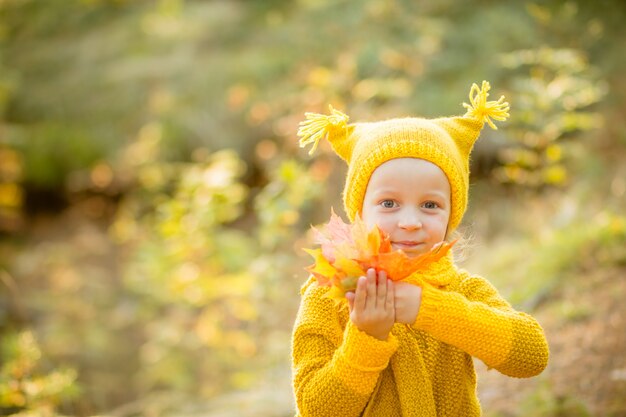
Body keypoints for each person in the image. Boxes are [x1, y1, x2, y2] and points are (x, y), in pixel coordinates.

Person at [290, 81, 549, 416]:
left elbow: (531, 355)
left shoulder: (461, 290)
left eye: (430, 205)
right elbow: (315, 409)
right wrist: (366, 339)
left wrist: (427, 308)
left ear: (450, 215)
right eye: (388, 203)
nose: (410, 221)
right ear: (359, 212)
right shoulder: (331, 294)